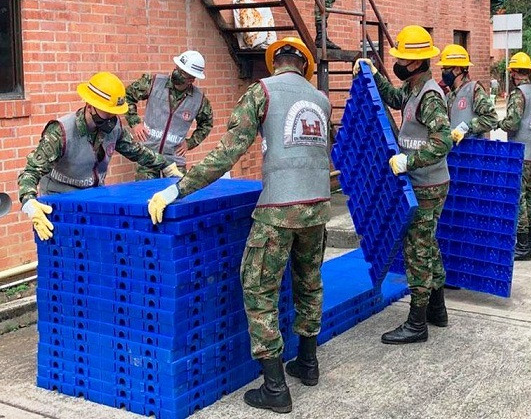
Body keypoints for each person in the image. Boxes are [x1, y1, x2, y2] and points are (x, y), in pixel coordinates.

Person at [148, 37, 330, 414]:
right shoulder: (321, 99)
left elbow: (228, 151)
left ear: (273, 64)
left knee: (258, 288)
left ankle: (275, 389)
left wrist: (178, 190)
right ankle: (308, 365)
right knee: (309, 282)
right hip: (319, 206)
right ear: (304, 67)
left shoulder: (261, 92)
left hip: (279, 207)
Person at [355, 25, 452, 345]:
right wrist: (372, 72)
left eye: (403, 59)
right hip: (423, 181)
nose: (398, 63)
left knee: (418, 251)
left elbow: (442, 142)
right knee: (428, 244)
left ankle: (417, 323)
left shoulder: (430, 95)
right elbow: (395, 99)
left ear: (417, 62)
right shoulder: (413, 88)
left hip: (427, 183)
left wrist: (409, 162)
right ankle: (437, 310)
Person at [17, 72, 183, 241]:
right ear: (90, 106)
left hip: (92, 199)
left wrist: (166, 165)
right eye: (107, 113)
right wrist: (29, 202)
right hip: (60, 204)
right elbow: (30, 172)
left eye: (114, 114)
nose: (111, 118)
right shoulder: (61, 132)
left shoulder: (114, 128)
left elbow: (137, 151)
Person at [125, 50, 214, 180]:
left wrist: (190, 143)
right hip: (148, 156)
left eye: (183, 72)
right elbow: (127, 96)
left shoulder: (199, 100)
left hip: (175, 160)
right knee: (144, 196)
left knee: (177, 195)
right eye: (178, 68)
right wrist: (135, 122)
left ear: (191, 79)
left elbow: (207, 124)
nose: (177, 72)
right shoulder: (153, 83)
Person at [498, 52, 531, 261]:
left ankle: (523, 245)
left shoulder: (519, 94)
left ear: (515, 73)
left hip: (521, 152)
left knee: (521, 197)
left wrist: (499, 123)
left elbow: (512, 123)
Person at [436, 44, 498, 144]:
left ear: (457, 69)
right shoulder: (450, 94)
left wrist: (466, 128)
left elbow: (491, 119)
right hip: (455, 153)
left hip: (472, 153)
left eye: (445, 69)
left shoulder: (474, 90)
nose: (443, 72)